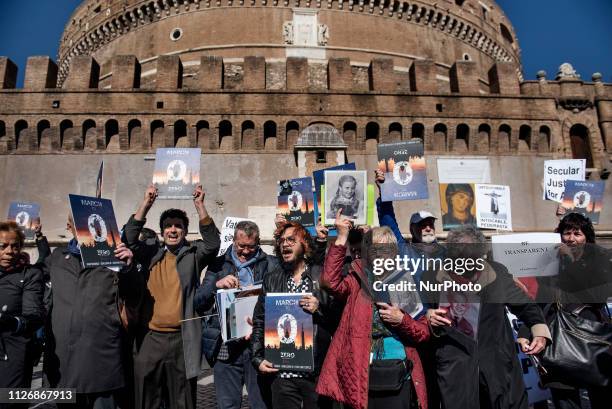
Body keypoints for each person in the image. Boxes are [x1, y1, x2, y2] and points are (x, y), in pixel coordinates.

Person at [424, 225, 551, 409]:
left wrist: (538, 328)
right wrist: (428, 316)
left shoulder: (497, 273)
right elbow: (419, 313)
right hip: (456, 366)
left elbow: (525, 305)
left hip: (497, 364)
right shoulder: (432, 276)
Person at [317, 211, 430, 409]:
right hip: (361, 370)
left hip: (397, 372)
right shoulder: (356, 278)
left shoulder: (405, 282)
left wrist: (401, 319)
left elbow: (423, 333)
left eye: (386, 250)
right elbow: (330, 282)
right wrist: (342, 236)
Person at [123, 184, 220, 409]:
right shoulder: (148, 252)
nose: (173, 230)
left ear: (185, 231)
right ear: (161, 231)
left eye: (178, 226)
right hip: (149, 339)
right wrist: (146, 203)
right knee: (147, 399)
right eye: (168, 226)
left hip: (182, 340)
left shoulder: (193, 254)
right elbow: (128, 238)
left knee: (182, 400)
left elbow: (214, 244)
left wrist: (200, 206)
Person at [42, 214, 136, 409]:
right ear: (70, 226)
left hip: (100, 357)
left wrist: (128, 268)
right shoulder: (57, 258)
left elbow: (133, 292)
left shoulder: (113, 257)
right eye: (80, 223)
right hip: (64, 359)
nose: (89, 228)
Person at [522, 213, 612, 409]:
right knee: (564, 400)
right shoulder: (550, 263)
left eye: (577, 233)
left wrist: (572, 262)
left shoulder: (600, 259)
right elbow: (539, 301)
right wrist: (525, 332)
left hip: (592, 339)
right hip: (559, 341)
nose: (571, 238)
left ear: (586, 237)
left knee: (602, 396)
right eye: (567, 232)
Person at [251, 221, 340, 409]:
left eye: (291, 239)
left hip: (315, 374)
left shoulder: (321, 277)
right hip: (281, 375)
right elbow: (260, 320)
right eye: (282, 240)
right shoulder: (272, 279)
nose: (285, 244)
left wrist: (320, 308)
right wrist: (258, 358)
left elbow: (339, 320)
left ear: (305, 244)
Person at [195, 221, 279, 409]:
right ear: (233, 241)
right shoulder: (218, 264)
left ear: (258, 243)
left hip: (257, 346)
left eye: (251, 246)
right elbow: (198, 301)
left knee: (261, 404)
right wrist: (216, 285)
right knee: (227, 405)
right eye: (241, 246)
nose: (246, 251)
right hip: (226, 348)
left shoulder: (271, 264)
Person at [0, 221, 44, 409]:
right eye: (3, 246)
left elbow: (34, 315)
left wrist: (10, 322)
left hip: (14, 354)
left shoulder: (30, 274)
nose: (9, 251)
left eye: (15, 246)